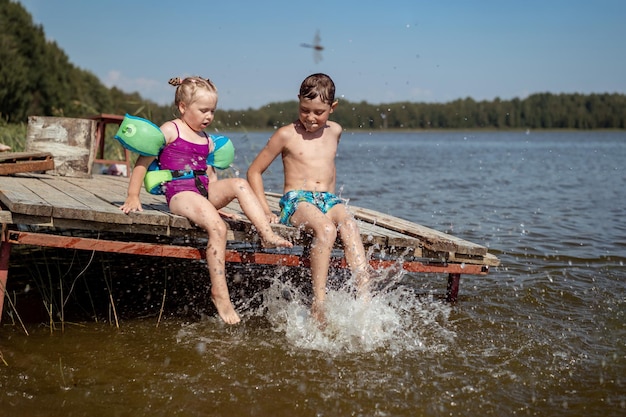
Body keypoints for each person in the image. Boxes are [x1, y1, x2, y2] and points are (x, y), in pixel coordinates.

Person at [120, 76, 292, 325]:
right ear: (182, 107)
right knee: (218, 228)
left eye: (212, 110)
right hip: (180, 193)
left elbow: (210, 175)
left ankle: (266, 233)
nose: (208, 116)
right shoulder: (172, 129)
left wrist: (213, 206)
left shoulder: (206, 139)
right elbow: (142, 162)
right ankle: (219, 293)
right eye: (203, 110)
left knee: (239, 183)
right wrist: (133, 196)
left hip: (202, 193)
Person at [247, 73, 370, 323]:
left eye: (319, 112)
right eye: (305, 110)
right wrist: (264, 211)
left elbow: (329, 167)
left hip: (327, 198)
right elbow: (254, 171)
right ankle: (319, 302)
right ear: (298, 102)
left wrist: (331, 202)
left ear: (332, 108)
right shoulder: (286, 134)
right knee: (326, 230)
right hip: (297, 200)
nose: (311, 118)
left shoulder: (335, 131)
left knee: (348, 224)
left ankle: (365, 298)